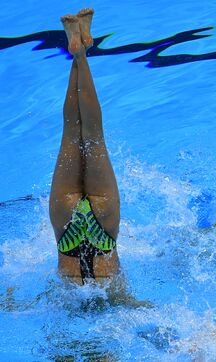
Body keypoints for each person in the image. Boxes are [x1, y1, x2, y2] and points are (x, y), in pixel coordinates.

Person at [49, 9, 121, 285]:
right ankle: (78, 51)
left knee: (84, 135)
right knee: (81, 133)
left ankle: (80, 53)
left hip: (97, 238)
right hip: (75, 236)